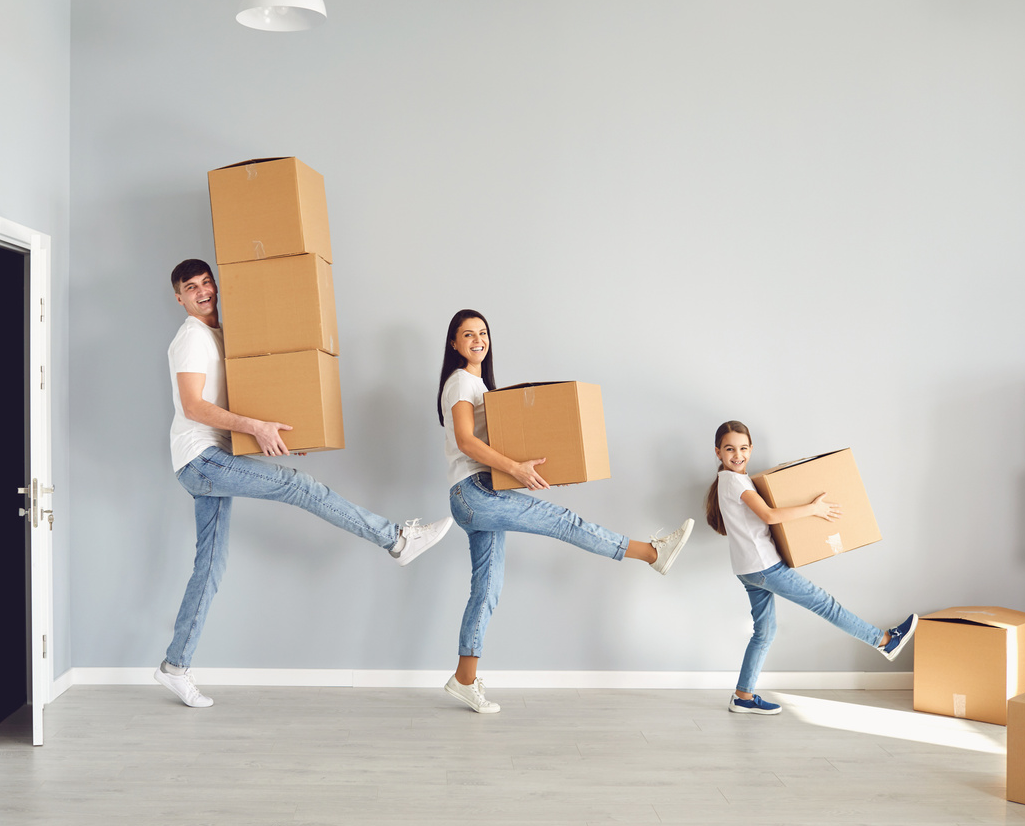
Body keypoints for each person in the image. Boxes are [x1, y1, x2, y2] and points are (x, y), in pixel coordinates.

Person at [156, 259, 453, 708]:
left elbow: (227, 409)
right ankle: (395, 539)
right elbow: (194, 407)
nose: (202, 291)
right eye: (190, 288)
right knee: (301, 487)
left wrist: (269, 437)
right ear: (179, 298)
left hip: (209, 460)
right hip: (202, 460)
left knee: (210, 567)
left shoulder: (218, 335)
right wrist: (256, 427)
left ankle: (174, 668)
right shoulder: (191, 338)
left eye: (205, 283)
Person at [437, 309, 694, 714]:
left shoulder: (480, 384)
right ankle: (651, 552)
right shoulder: (460, 383)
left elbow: (502, 452)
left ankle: (464, 679)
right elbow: (468, 444)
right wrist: (516, 469)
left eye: (482, 333)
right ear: (453, 344)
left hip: (477, 493)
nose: (477, 340)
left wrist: (539, 471)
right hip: (473, 493)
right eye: (467, 335)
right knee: (564, 522)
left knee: (487, 589)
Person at [705, 420, 918, 715]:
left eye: (743, 448)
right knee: (825, 605)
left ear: (751, 449)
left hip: (748, 568)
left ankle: (743, 695)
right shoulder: (734, 481)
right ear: (718, 452)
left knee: (764, 632)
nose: (737, 454)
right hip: (764, 567)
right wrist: (814, 509)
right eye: (729, 449)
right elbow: (768, 515)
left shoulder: (734, 481)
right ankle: (884, 641)